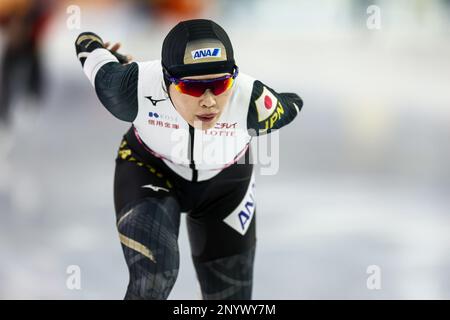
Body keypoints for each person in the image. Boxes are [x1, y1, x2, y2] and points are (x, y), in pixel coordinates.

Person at [75, 19, 303, 300]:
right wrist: (102, 51)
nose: (209, 101)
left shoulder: (252, 102)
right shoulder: (128, 89)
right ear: (166, 79)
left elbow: (291, 103)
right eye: (193, 88)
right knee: (153, 279)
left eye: (221, 85)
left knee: (231, 300)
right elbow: (86, 45)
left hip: (226, 186)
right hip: (149, 170)